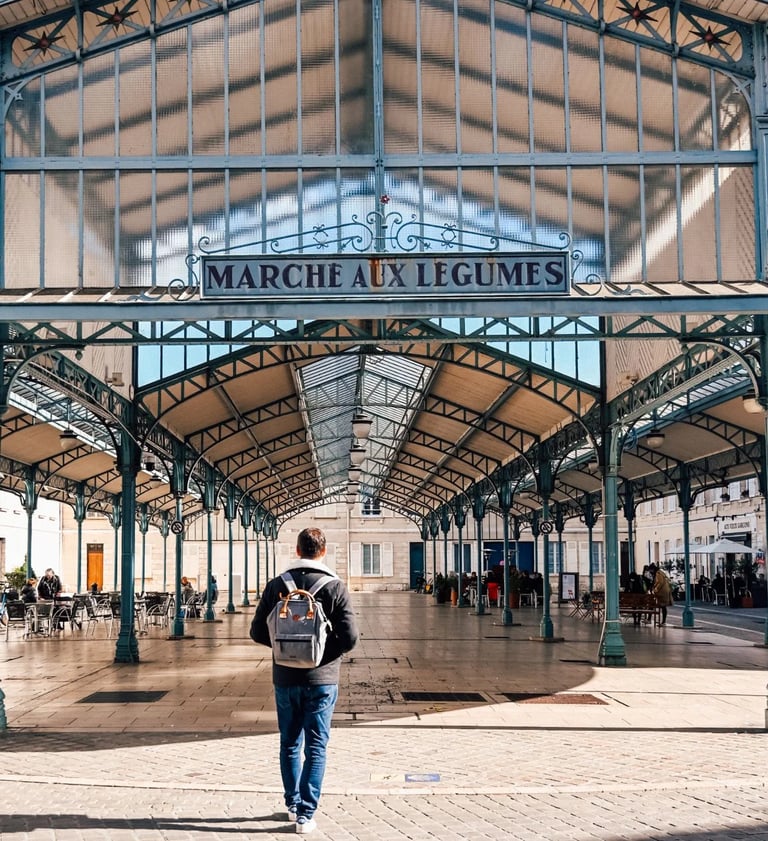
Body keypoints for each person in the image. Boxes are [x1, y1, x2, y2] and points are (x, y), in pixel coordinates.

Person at [250, 526, 358, 835]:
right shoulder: (335, 587)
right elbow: (350, 638)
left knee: (289, 742)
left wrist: (287, 649)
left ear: (297, 551)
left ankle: (292, 804)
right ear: (323, 552)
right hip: (322, 680)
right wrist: (321, 654)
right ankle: (306, 815)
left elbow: (257, 632)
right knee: (317, 745)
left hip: (284, 677)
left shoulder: (277, 586)